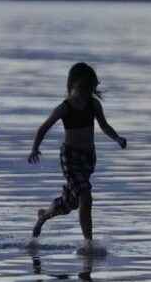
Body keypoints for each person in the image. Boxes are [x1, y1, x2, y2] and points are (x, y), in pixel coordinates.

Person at [28, 62, 126, 247]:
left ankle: (44, 215)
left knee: (71, 203)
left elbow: (104, 126)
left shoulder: (93, 104)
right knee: (85, 197)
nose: (85, 92)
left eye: (89, 88)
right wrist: (35, 148)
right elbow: (43, 127)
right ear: (72, 85)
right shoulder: (64, 108)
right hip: (70, 158)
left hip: (88, 158)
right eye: (82, 87)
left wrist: (117, 138)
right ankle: (88, 243)